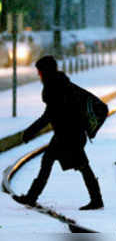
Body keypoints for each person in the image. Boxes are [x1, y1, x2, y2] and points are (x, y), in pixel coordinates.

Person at [13, 55, 104, 210]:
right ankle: (32, 196)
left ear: (45, 71)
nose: (38, 75)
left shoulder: (55, 88)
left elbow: (48, 115)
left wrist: (30, 132)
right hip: (68, 133)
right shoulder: (60, 84)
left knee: (78, 165)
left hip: (69, 135)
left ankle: (96, 200)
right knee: (56, 162)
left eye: (40, 72)